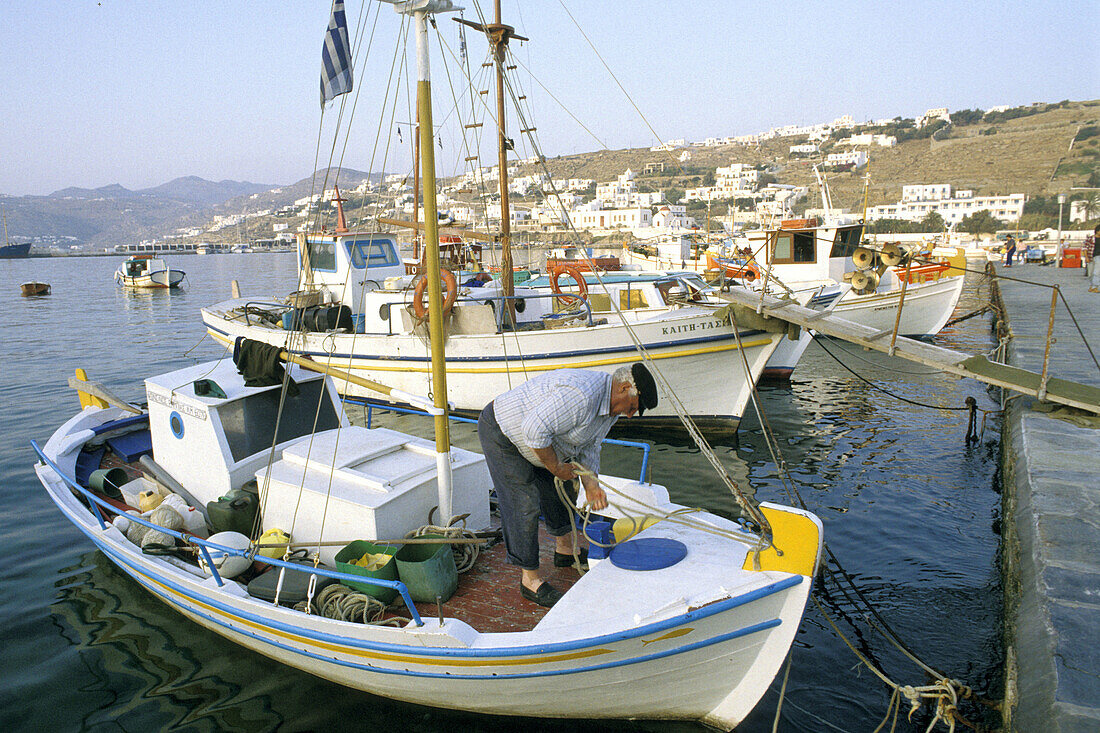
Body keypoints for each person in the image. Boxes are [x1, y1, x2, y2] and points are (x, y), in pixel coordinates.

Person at [477, 364, 658, 607]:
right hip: (503, 431)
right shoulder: (582, 396)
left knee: (560, 487)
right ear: (624, 388)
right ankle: (529, 581)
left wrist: (591, 484)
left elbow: (591, 446)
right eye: (633, 407)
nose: (630, 415)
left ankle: (564, 551)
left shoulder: (609, 411)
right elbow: (534, 431)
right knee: (523, 503)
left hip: (542, 440)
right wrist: (555, 467)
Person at [1089, 225, 1100, 293]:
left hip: (1098, 256)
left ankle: (1094, 286)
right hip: (1092, 257)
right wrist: (1087, 257)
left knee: (1096, 272)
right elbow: (1085, 247)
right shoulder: (1091, 238)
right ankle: (1093, 286)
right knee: (1093, 272)